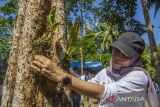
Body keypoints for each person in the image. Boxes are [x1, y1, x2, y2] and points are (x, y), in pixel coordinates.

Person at [30, 32, 158, 107]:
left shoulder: (139, 77)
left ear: (136, 57)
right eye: (116, 50)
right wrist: (66, 67)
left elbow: (104, 93)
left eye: (125, 53)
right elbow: (85, 83)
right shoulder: (106, 72)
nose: (118, 56)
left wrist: (61, 76)